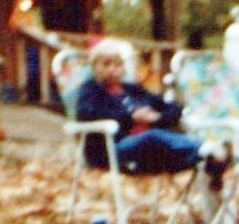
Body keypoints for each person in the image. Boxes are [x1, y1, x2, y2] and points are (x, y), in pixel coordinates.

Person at [74, 39, 205, 176]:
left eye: (117, 64)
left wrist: (157, 118)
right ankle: (204, 149)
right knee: (153, 137)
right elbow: (86, 114)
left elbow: (173, 108)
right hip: (111, 149)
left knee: (188, 157)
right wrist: (131, 118)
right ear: (94, 66)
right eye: (106, 64)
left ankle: (208, 157)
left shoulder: (133, 89)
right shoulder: (90, 90)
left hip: (148, 151)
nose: (112, 69)